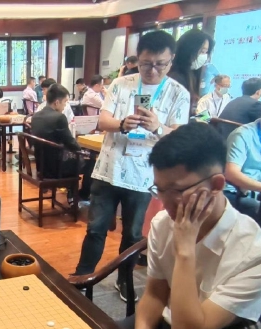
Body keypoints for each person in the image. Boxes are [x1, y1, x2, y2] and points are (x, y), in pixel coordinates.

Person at [120, 122, 261, 329]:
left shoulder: (259, 256)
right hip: (164, 326)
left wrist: (185, 250)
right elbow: (155, 295)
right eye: (159, 190)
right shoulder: (163, 223)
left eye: (176, 191)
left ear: (216, 185)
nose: (165, 202)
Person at [72, 30, 190, 300]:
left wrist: (158, 127)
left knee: (133, 234)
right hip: (108, 169)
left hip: (144, 176)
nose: (153, 70)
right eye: (146, 63)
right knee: (95, 229)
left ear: (171, 61)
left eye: (160, 64)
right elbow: (103, 121)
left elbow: (180, 136)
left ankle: (124, 280)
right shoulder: (121, 84)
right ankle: (82, 277)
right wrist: (123, 124)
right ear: (138, 59)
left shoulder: (178, 93)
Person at [30, 84, 95, 200]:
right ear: (57, 102)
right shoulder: (59, 117)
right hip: (56, 169)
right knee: (92, 162)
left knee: (78, 157)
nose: (65, 105)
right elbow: (71, 143)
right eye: (65, 102)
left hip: (41, 166)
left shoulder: (36, 116)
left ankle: (72, 194)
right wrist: (83, 152)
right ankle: (82, 195)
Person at [168, 29, 215, 115]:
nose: (204, 56)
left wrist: (205, 117)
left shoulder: (192, 75)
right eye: (202, 51)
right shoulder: (176, 78)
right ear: (188, 50)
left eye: (206, 52)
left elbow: (191, 112)